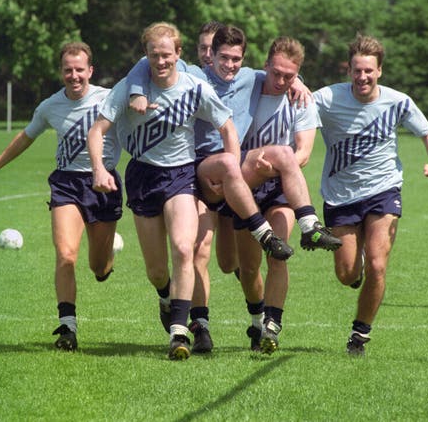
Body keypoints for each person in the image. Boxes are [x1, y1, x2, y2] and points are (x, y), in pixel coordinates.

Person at [127, 25, 340, 354]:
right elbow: (152, 59)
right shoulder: (195, 73)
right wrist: (138, 91)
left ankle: (309, 226)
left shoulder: (251, 77)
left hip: (234, 165)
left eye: (236, 59)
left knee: (280, 157)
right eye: (223, 57)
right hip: (195, 169)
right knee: (203, 253)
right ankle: (200, 327)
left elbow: (278, 73)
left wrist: (296, 80)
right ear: (210, 54)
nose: (229, 65)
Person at [0, 42, 123, 352]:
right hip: (66, 184)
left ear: (90, 71)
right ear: (61, 72)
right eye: (68, 70)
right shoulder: (50, 106)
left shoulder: (110, 98)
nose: (74, 75)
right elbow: (26, 136)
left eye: (80, 69)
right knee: (66, 254)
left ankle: (106, 263)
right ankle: (68, 327)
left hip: (103, 184)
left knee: (98, 266)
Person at [313, 35, 428, 356]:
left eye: (369, 71)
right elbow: (295, 100)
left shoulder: (398, 102)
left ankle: (359, 335)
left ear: (380, 71)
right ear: (349, 70)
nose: (362, 77)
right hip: (340, 196)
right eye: (357, 70)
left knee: (378, 264)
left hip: (383, 191)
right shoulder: (328, 98)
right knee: (346, 274)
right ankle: (355, 273)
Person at [237, 36, 322, 353]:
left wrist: (270, 166)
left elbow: (303, 154)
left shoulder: (300, 99)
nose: (283, 81)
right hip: (244, 186)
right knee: (246, 267)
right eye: (277, 73)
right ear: (265, 66)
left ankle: (272, 325)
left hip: (281, 187)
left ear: (298, 73)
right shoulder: (248, 87)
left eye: (290, 75)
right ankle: (257, 316)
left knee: (278, 254)